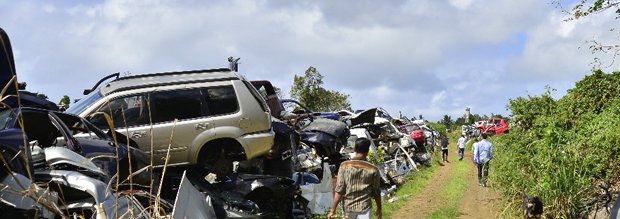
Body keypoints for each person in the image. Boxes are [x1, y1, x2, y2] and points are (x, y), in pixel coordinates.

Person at [328, 138, 382, 219]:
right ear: (367, 151)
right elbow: (376, 192)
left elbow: (339, 189)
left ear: (354, 149)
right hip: (365, 208)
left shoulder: (344, 166)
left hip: (348, 208)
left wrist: (333, 210)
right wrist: (379, 208)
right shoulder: (373, 169)